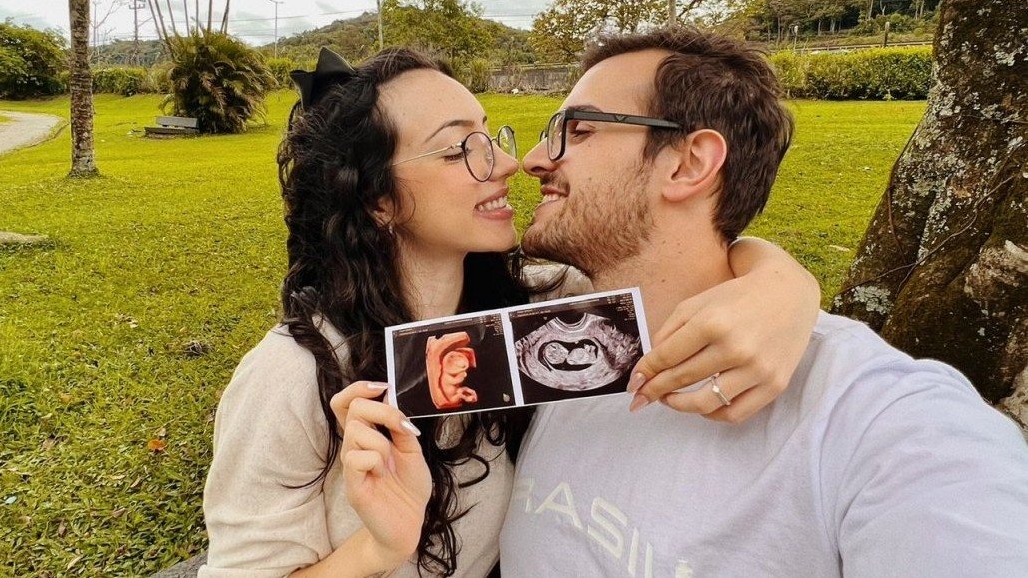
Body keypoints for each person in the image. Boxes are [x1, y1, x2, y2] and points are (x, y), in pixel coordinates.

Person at [198, 48, 820, 578]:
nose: (505, 164)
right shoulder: (297, 373)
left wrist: (783, 287)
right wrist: (378, 549)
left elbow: (676, 263)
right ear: (378, 200)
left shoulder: (537, 307)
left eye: (489, 137)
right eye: (457, 150)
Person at [498, 27, 1028, 577]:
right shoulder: (552, 338)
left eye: (579, 130)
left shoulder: (885, 420)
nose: (533, 160)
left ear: (689, 164)